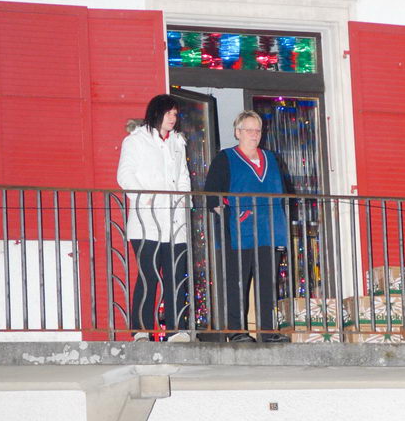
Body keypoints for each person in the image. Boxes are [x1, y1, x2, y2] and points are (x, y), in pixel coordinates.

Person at [205, 110, 290, 343]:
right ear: (237, 132)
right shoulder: (225, 158)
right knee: (237, 282)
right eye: (249, 130)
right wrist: (229, 215)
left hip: (270, 230)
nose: (254, 134)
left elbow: (284, 193)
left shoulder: (272, 159)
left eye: (257, 130)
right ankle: (236, 331)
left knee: (268, 283)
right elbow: (211, 194)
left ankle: (267, 331)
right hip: (239, 231)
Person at [116, 94, 191, 342]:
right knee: (148, 275)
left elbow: (183, 176)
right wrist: (145, 198)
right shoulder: (136, 141)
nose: (173, 118)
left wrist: (183, 201)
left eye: (175, 114)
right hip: (146, 222)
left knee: (175, 276)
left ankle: (176, 329)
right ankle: (141, 329)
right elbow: (125, 175)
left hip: (175, 222)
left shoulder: (177, 142)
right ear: (157, 112)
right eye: (169, 113)